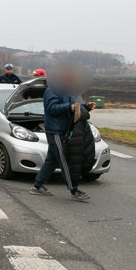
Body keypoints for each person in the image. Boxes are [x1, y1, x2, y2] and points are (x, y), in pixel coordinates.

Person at [30, 64, 95, 201]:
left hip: (64, 130)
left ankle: (37, 186)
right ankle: (74, 190)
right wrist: (69, 107)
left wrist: (85, 107)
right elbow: (52, 108)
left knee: (51, 160)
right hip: (55, 130)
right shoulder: (51, 91)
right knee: (65, 160)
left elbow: (73, 107)